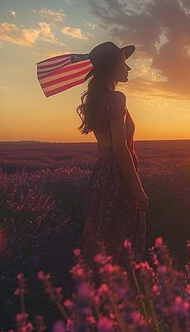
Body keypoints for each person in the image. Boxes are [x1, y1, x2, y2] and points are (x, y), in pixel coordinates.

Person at [76, 41, 148, 262]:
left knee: (102, 236)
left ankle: (97, 289)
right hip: (118, 175)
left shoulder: (97, 100)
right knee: (122, 238)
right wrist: (138, 189)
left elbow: (105, 147)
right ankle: (124, 289)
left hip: (102, 175)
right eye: (123, 64)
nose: (128, 69)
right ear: (112, 68)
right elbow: (120, 149)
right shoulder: (117, 99)